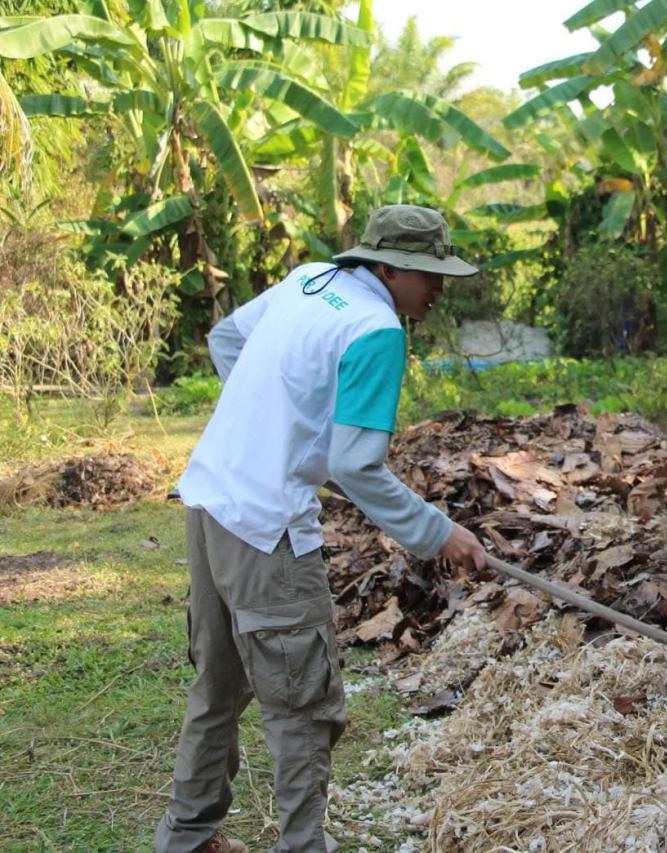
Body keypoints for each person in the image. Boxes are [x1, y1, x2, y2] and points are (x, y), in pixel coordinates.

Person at [156, 205, 488, 853]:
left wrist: (274, 428)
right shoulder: (377, 330)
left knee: (217, 685)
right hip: (268, 531)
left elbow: (226, 340)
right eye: (428, 273)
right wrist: (438, 533)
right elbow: (356, 466)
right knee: (303, 704)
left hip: (210, 500)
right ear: (387, 269)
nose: (439, 288)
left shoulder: (310, 279)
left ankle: (188, 836)